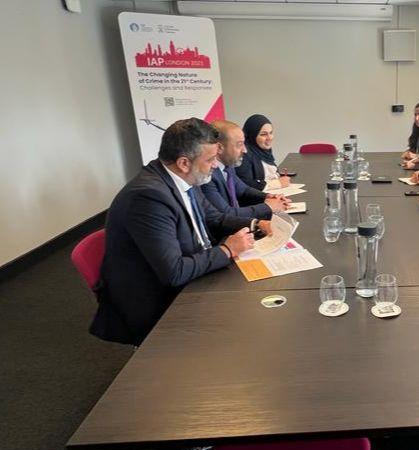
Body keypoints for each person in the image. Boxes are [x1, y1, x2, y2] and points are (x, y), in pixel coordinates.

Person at [90, 118, 273, 346]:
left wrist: (256, 224)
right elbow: (174, 272)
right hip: (159, 300)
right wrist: (227, 250)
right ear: (184, 163)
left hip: (193, 273)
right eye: (210, 159)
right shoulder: (148, 198)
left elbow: (215, 218)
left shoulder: (183, 178)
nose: (215, 166)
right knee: (247, 327)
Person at [202, 119, 290, 219]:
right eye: (239, 144)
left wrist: (268, 197)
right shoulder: (207, 175)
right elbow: (226, 214)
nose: (245, 150)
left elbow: (243, 190)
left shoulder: (228, 166)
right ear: (219, 148)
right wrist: (268, 207)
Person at [235, 114, 291, 191]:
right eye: (263, 134)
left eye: (271, 133)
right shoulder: (244, 153)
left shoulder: (264, 150)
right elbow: (244, 183)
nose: (269, 138)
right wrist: (277, 184)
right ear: (252, 135)